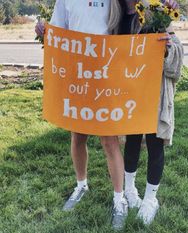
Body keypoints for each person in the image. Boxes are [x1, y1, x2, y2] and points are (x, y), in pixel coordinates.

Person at [35, 0, 128, 230]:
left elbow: (132, 21)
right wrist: (44, 31)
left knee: (109, 140)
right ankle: (81, 185)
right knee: (78, 135)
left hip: (106, 75)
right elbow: (58, 32)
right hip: (78, 75)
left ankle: (119, 198)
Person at [121, 0, 184, 225]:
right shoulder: (114, 13)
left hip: (153, 91)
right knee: (132, 140)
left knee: (155, 141)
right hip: (129, 90)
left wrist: (167, 48)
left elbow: (175, 46)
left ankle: (150, 199)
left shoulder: (155, 10)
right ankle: (129, 190)